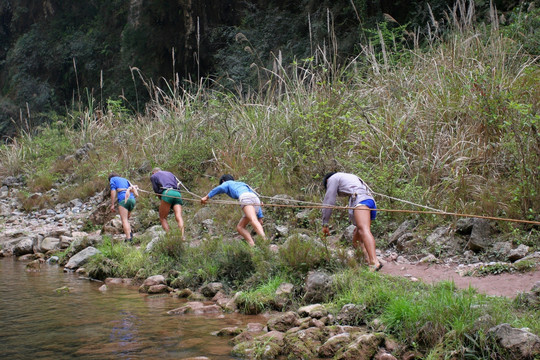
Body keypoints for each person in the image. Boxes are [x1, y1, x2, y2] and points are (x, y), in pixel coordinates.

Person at [321, 172, 382, 271]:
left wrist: (325, 223)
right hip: (370, 201)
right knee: (357, 240)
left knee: (364, 230)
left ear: (327, 181)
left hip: (361, 202)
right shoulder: (347, 177)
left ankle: (374, 262)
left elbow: (329, 200)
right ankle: (367, 259)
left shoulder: (332, 179)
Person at [200, 174, 265, 247]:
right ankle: (252, 245)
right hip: (255, 199)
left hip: (246, 198)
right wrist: (260, 216)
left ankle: (265, 241)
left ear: (223, 181)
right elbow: (253, 197)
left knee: (253, 220)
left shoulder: (227, 183)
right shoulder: (241, 184)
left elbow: (220, 188)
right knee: (240, 227)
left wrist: (206, 197)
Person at [150, 167, 185, 238]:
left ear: (154, 172)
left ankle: (169, 237)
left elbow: (156, 190)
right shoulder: (170, 173)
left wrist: (161, 197)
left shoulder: (154, 176)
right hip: (177, 193)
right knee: (178, 216)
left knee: (163, 218)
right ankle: (182, 236)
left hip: (167, 193)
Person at [109, 173, 139, 242]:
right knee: (127, 219)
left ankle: (128, 239)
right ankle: (130, 234)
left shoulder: (112, 179)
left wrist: (112, 204)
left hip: (124, 199)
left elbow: (113, 191)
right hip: (132, 199)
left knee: (124, 220)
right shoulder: (125, 179)